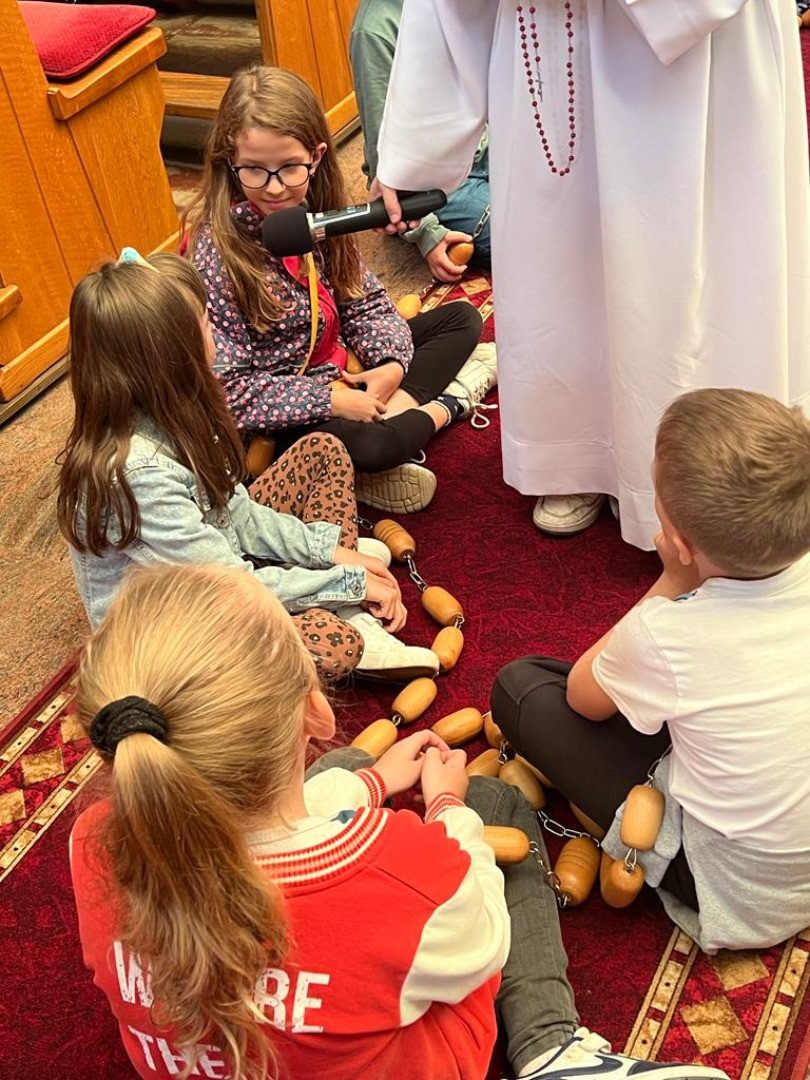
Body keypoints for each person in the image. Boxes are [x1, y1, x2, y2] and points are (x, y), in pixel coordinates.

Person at [70, 561, 730, 1080]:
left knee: (345, 770)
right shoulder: (397, 876)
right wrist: (447, 807)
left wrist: (374, 782)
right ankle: (550, 1046)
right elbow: (482, 934)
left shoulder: (92, 842)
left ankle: (356, 778)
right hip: (410, 1055)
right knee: (495, 804)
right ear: (316, 711)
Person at [372, 0, 810, 541]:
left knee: (689, 249)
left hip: (703, 63)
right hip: (550, 40)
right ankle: (577, 454)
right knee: (561, 250)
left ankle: (715, 462)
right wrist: (415, 147)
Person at [491, 389, 810, 953]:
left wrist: (672, 583)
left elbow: (583, 698)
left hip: (737, 887)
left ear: (681, 543)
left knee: (521, 688)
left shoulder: (667, 634)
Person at [57, 251, 440, 683]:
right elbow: (231, 587)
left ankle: (328, 587)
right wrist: (345, 583)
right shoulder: (138, 474)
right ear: (171, 354)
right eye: (206, 323)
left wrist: (328, 553)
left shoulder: (181, 407)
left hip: (216, 567)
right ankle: (344, 613)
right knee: (336, 644)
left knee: (323, 450)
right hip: (174, 633)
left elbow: (236, 513)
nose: (217, 336)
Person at [185, 66, 497, 516]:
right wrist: (330, 401)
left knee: (462, 319)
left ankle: (379, 429)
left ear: (316, 156)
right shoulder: (215, 254)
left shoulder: (321, 214)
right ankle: (451, 401)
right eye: (253, 170)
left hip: (346, 373)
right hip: (285, 413)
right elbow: (231, 392)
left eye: (289, 168)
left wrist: (390, 365)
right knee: (375, 445)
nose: (274, 188)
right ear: (228, 162)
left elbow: (365, 303)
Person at [349, 0, 491, 283]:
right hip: (433, 186)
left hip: (484, 148)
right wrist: (427, 232)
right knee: (530, 234)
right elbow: (385, 158)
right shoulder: (373, 32)